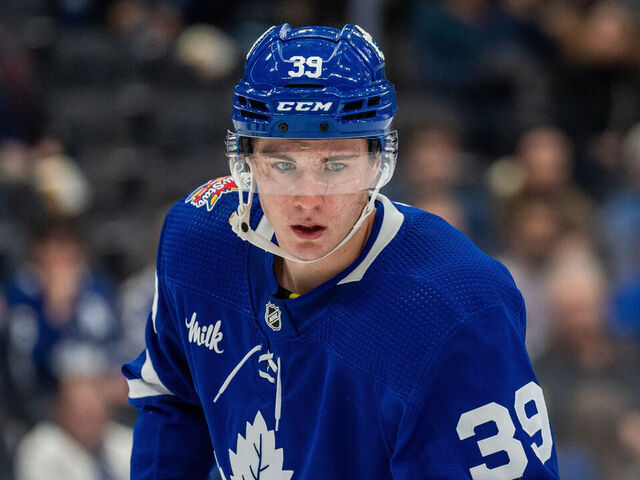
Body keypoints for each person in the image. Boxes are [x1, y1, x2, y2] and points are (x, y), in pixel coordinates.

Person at [123, 24, 560, 479]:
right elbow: (171, 396)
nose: (308, 199)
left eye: (336, 165)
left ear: (378, 161)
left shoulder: (455, 311)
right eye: (282, 164)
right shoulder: (199, 240)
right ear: (246, 159)